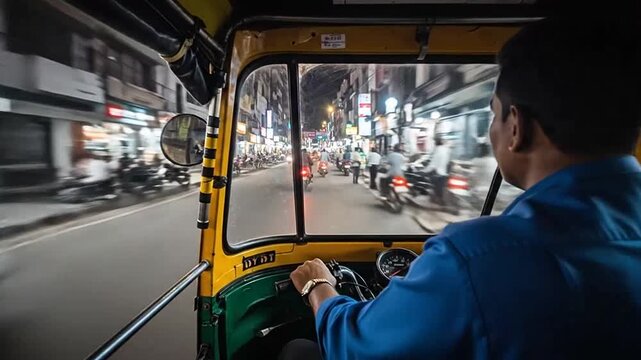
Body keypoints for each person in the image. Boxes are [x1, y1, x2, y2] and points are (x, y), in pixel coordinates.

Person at [285, 15, 641, 359]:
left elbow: (355, 346)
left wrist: (320, 286)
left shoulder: (476, 258)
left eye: (493, 113)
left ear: (516, 127)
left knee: (298, 351)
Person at [424, 136, 452, 206]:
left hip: (438, 172)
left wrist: (425, 171)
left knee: (435, 185)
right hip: (445, 172)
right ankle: (440, 199)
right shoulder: (446, 149)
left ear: (435, 143)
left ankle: (439, 200)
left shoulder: (438, 150)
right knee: (440, 187)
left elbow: (433, 164)